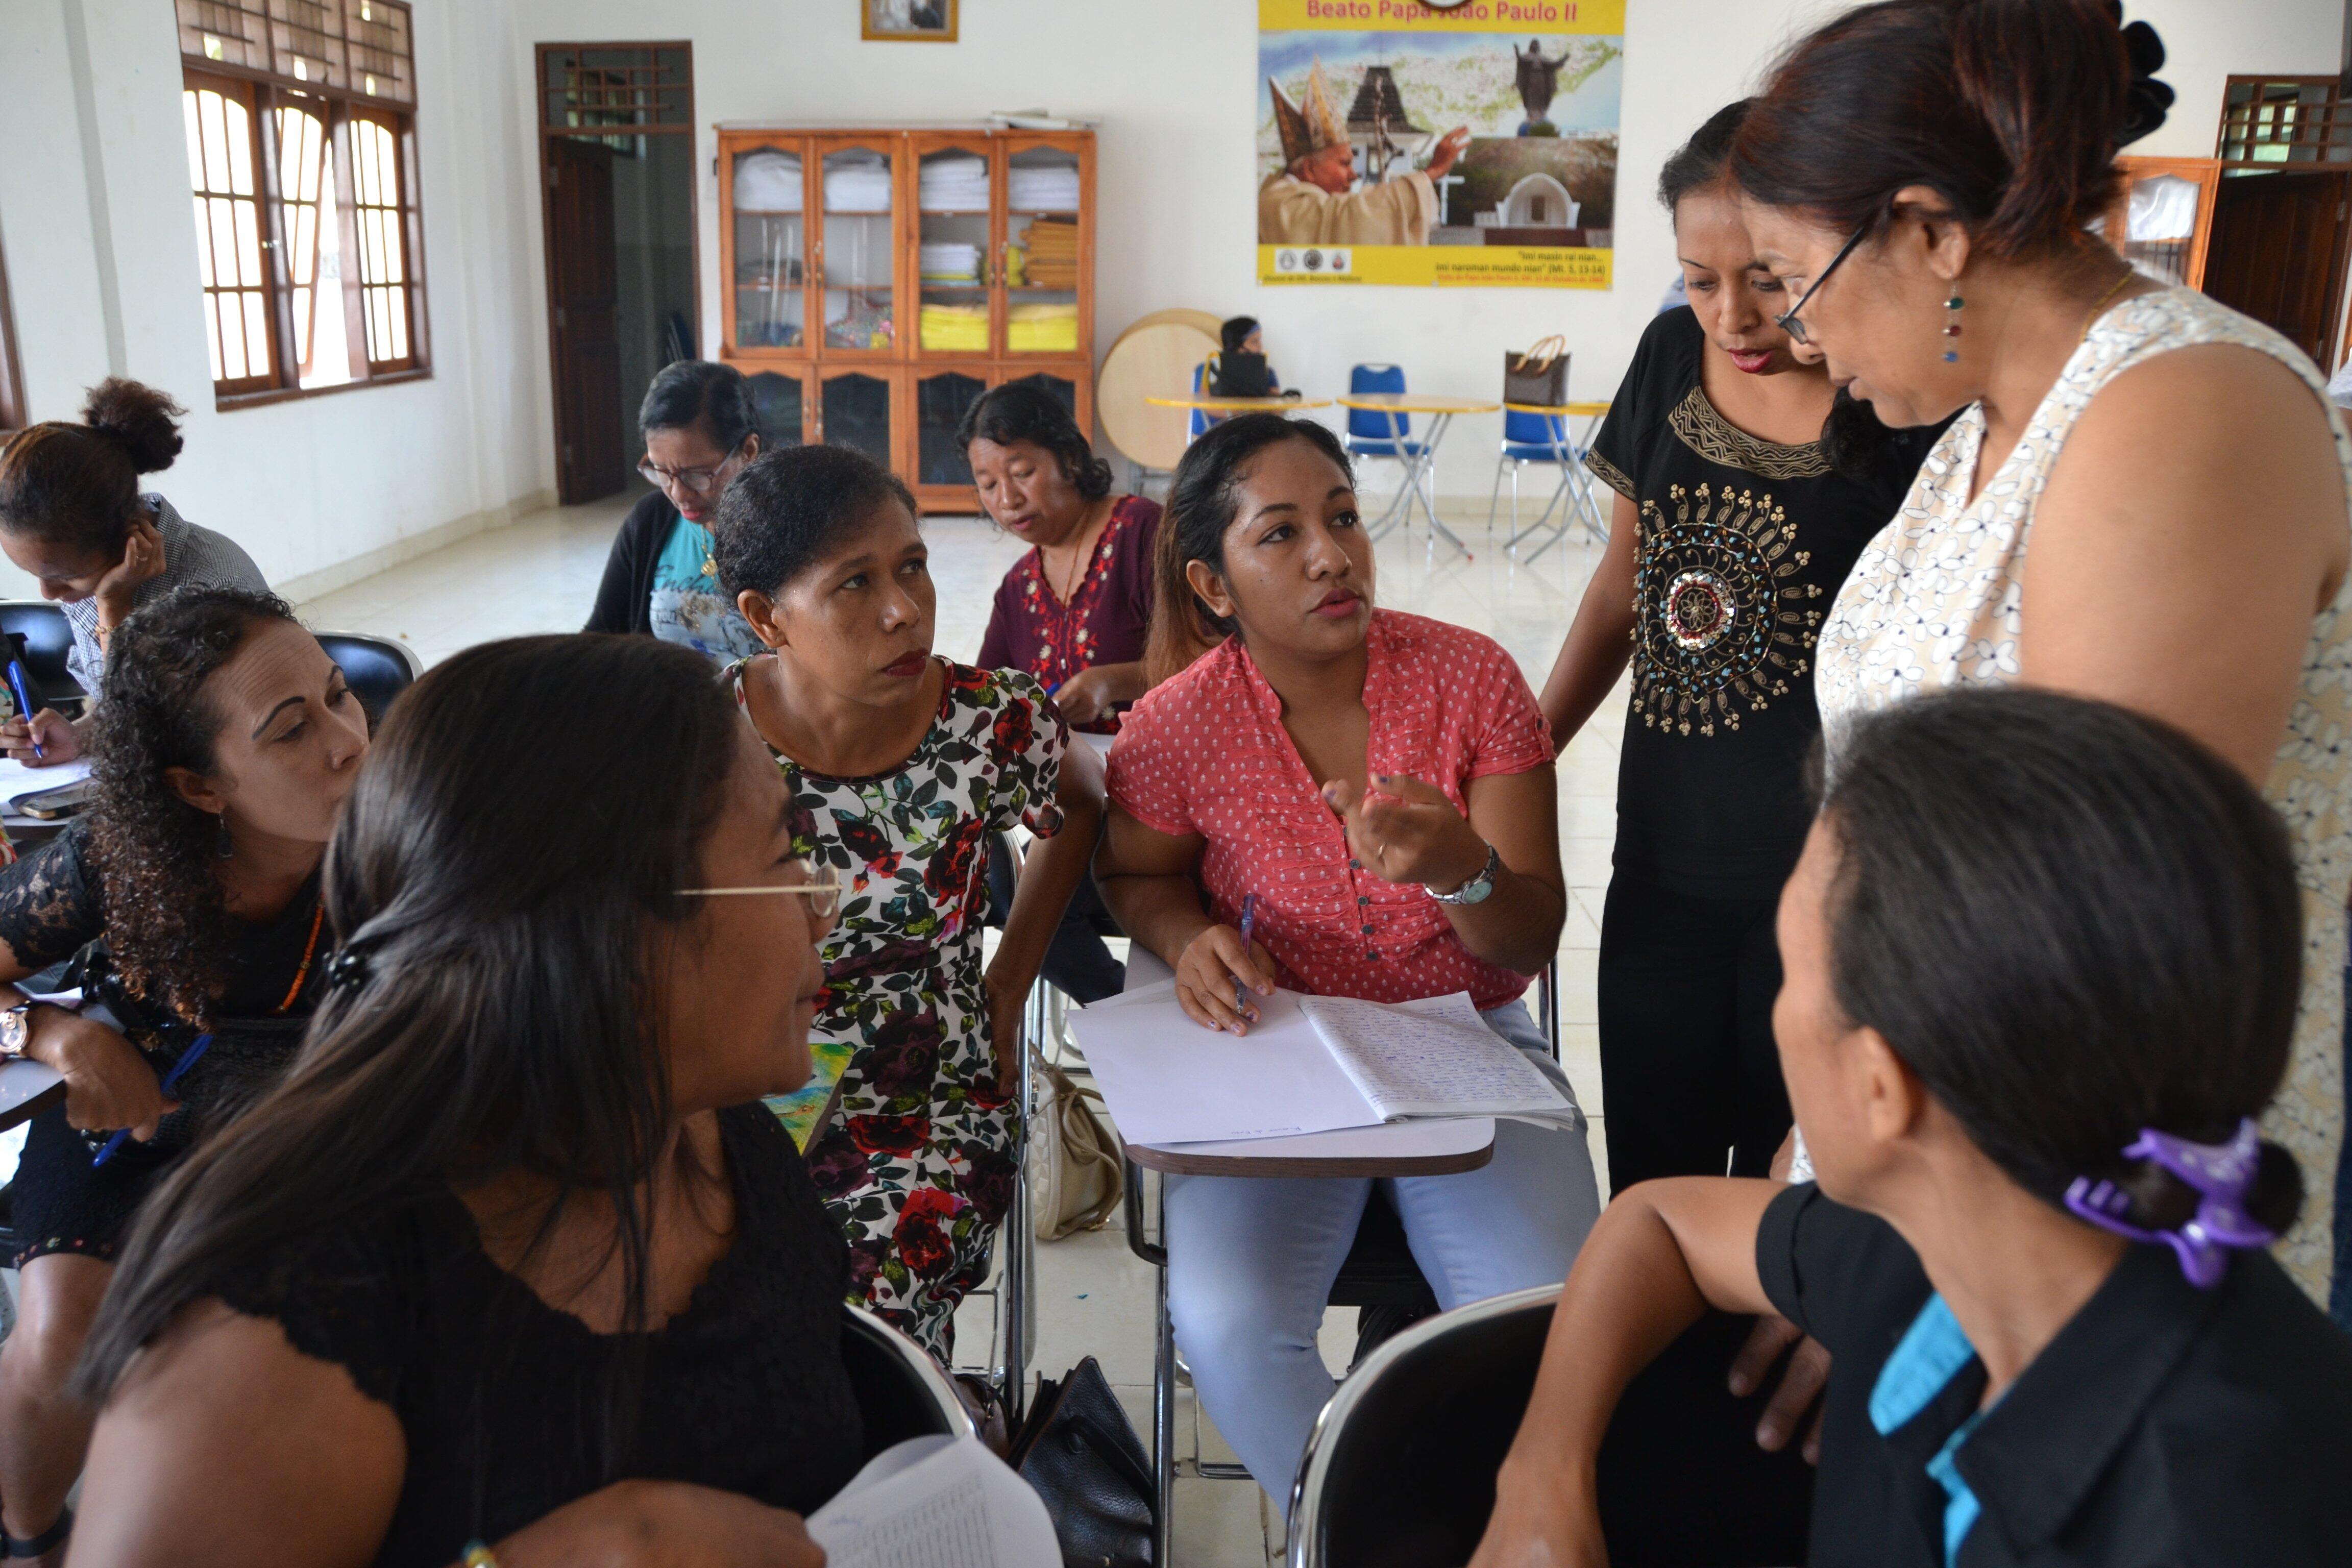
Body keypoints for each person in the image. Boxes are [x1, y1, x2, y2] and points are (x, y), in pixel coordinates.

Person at [1728, 0, 2352, 1313]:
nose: (1792, 333)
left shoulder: (2183, 411)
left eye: (1792, 276)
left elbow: (2088, 927)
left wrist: (1890, 1231)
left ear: (1930, 231)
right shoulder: (1972, 434)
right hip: (1918, 1151)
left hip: (2071, 1208)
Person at [1472, 689, 2352, 1568]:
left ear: (1881, 1085)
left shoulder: (2216, 1516)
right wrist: (1541, 1474)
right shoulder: (1955, 1242)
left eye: (1791, 978)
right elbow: (1656, 1221)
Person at [69, 634, 857, 1567]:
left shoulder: (714, 1138)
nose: (821, 904)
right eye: (780, 857)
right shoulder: (276, 1335)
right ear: (614, 932)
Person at [1097, 412, 1601, 1506]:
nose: (1332, 554)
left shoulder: (1472, 681)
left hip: (1462, 1037)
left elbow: (1527, 939)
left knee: (1548, 1312)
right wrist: (1190, 940)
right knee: (1227, 1327)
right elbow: (1134, 878)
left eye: (1342, 518)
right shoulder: (1177, 728)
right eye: (1279, 535)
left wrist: (1462, 867)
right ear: (1213, 585)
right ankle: (1357, 1528)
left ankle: (1481, 1523)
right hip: (1277, 1050)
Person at [1539, 100, 1944, 1197]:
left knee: (1789, 1190)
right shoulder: (1671, 356)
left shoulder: (1900, 401)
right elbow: (1622, 586)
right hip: (1664, 847)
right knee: (1655, 1177)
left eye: (1766, 279)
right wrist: (1522, 753)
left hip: (1822, 868)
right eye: (1699, 279)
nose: (1733, 318)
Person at [711, 442, 1105, 1358]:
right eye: (854, 584)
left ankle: (891, 1467)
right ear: (768, 617)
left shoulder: (990, 720)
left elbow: (1075, 805)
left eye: (913, 567)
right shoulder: (703, 736)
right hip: (740, 1073)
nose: (904, 609)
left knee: (860, 1318)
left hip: (932, 1076)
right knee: (692, 1290)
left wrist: (1009, 980)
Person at [0, 587, 367, 1564]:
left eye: (340, 696)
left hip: (307, 1136)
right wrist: (55, 1038)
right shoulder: (117, 862)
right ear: (199, 786)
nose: (346, 742)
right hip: (127, 1121)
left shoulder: (406, 843)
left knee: (281, 1365)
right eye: (292, 729)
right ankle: (31, 1535)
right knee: (58, 1342)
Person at [964, 382, 1155, 1003]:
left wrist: (1116, 680)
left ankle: (1133, 1024)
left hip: (1161, 801)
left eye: (1022, 472)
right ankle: (1124, 1010)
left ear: (1070, 460)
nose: (1006, 498)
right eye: (988, 483)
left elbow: (1222, 659)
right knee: (1006, 887)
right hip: (1074, 807)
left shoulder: (1140, 534)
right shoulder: (1019, 587)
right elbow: (985, 696)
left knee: (1034, 903)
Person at [0, 380, 268, 766]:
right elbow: (118, 711)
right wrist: (79, 735)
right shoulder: (97, 568)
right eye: (34, 574)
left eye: (65, 578)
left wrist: (113, 607)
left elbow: (154, 736)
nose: (47, 593)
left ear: (130, 538)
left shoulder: (212, 592)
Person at [583, 359, 766, 662]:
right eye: (661, 472)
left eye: (697, 475)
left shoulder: (790, 530)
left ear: (748, 451)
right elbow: (601, 635)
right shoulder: (650, 521)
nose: (678, 493)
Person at [1260, 61, 1468, 248]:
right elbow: (1352, 216)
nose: (1354, 175)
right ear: (1310, 169)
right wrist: (1432, 171)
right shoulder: (1279, 206)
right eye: (1344, 164)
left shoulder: (1287, 198)